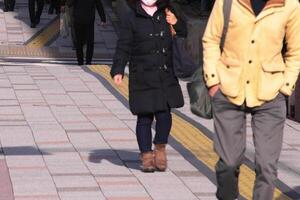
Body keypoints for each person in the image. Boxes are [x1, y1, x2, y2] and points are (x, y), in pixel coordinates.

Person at [202, 0, 300, 199]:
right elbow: (210, 39)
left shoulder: (290, 5)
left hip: (271, 93)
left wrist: (285, 87)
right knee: (228, 163)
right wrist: (213, 82)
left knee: (267, 167)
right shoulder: (227, 1)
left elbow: (295, 52)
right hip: (229, 88)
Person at [111, 0, 184, 172]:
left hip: (164, 75)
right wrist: (118, 70)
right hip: (142, 76)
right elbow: (123, 46)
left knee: (164, 115)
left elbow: (184, 34)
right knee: (144, 118)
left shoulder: (167, 12)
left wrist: (176, 23)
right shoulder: (131, 17)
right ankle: (146, 156)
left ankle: (160, 148)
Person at [62, 0, 106, 65]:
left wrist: (63, 5)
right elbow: (99, 5)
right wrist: (103, 19)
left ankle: (80, 61)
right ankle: (88, 61)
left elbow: (70, 3)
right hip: (89, 19)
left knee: (79, 42)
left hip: (78, 19)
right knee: (90, 42)